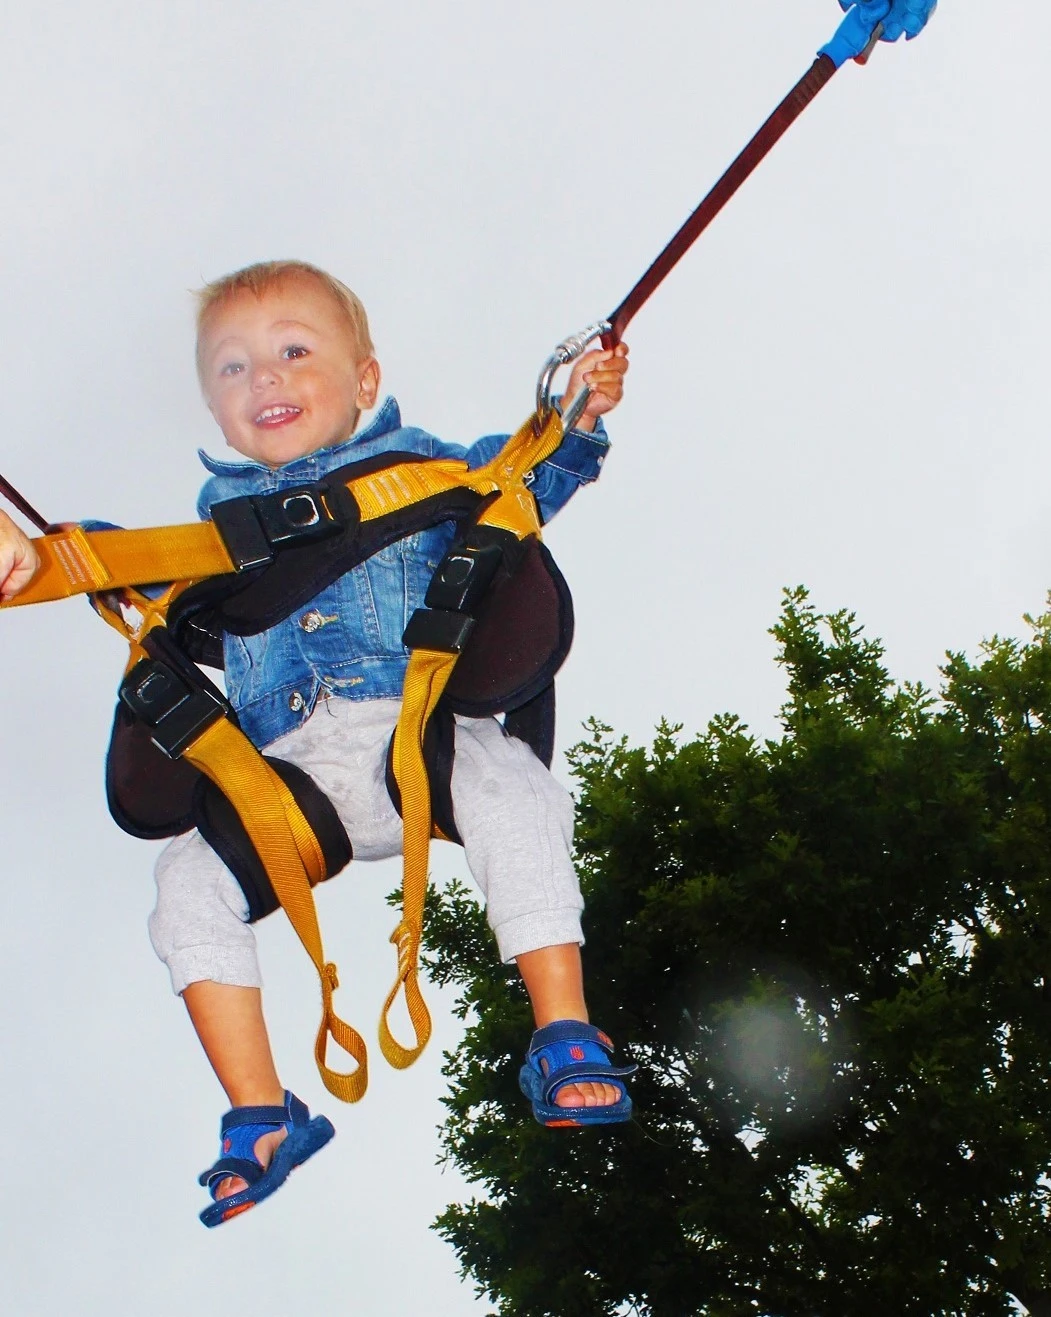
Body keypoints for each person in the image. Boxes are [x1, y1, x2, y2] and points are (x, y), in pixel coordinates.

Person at [0, 259, 634, 1226]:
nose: (265, 380)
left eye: (294, 353)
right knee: (187, 884)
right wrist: (27, 553)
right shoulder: (213, 540)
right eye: (233, 368)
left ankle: (563, 1027)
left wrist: (578, 414)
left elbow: (527, 478)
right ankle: (260, 1108)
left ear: (364, 381)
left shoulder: (423, 473)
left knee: (512, 789)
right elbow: (96, 555)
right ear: (213, 411)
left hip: (414, 732)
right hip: (287, 781)